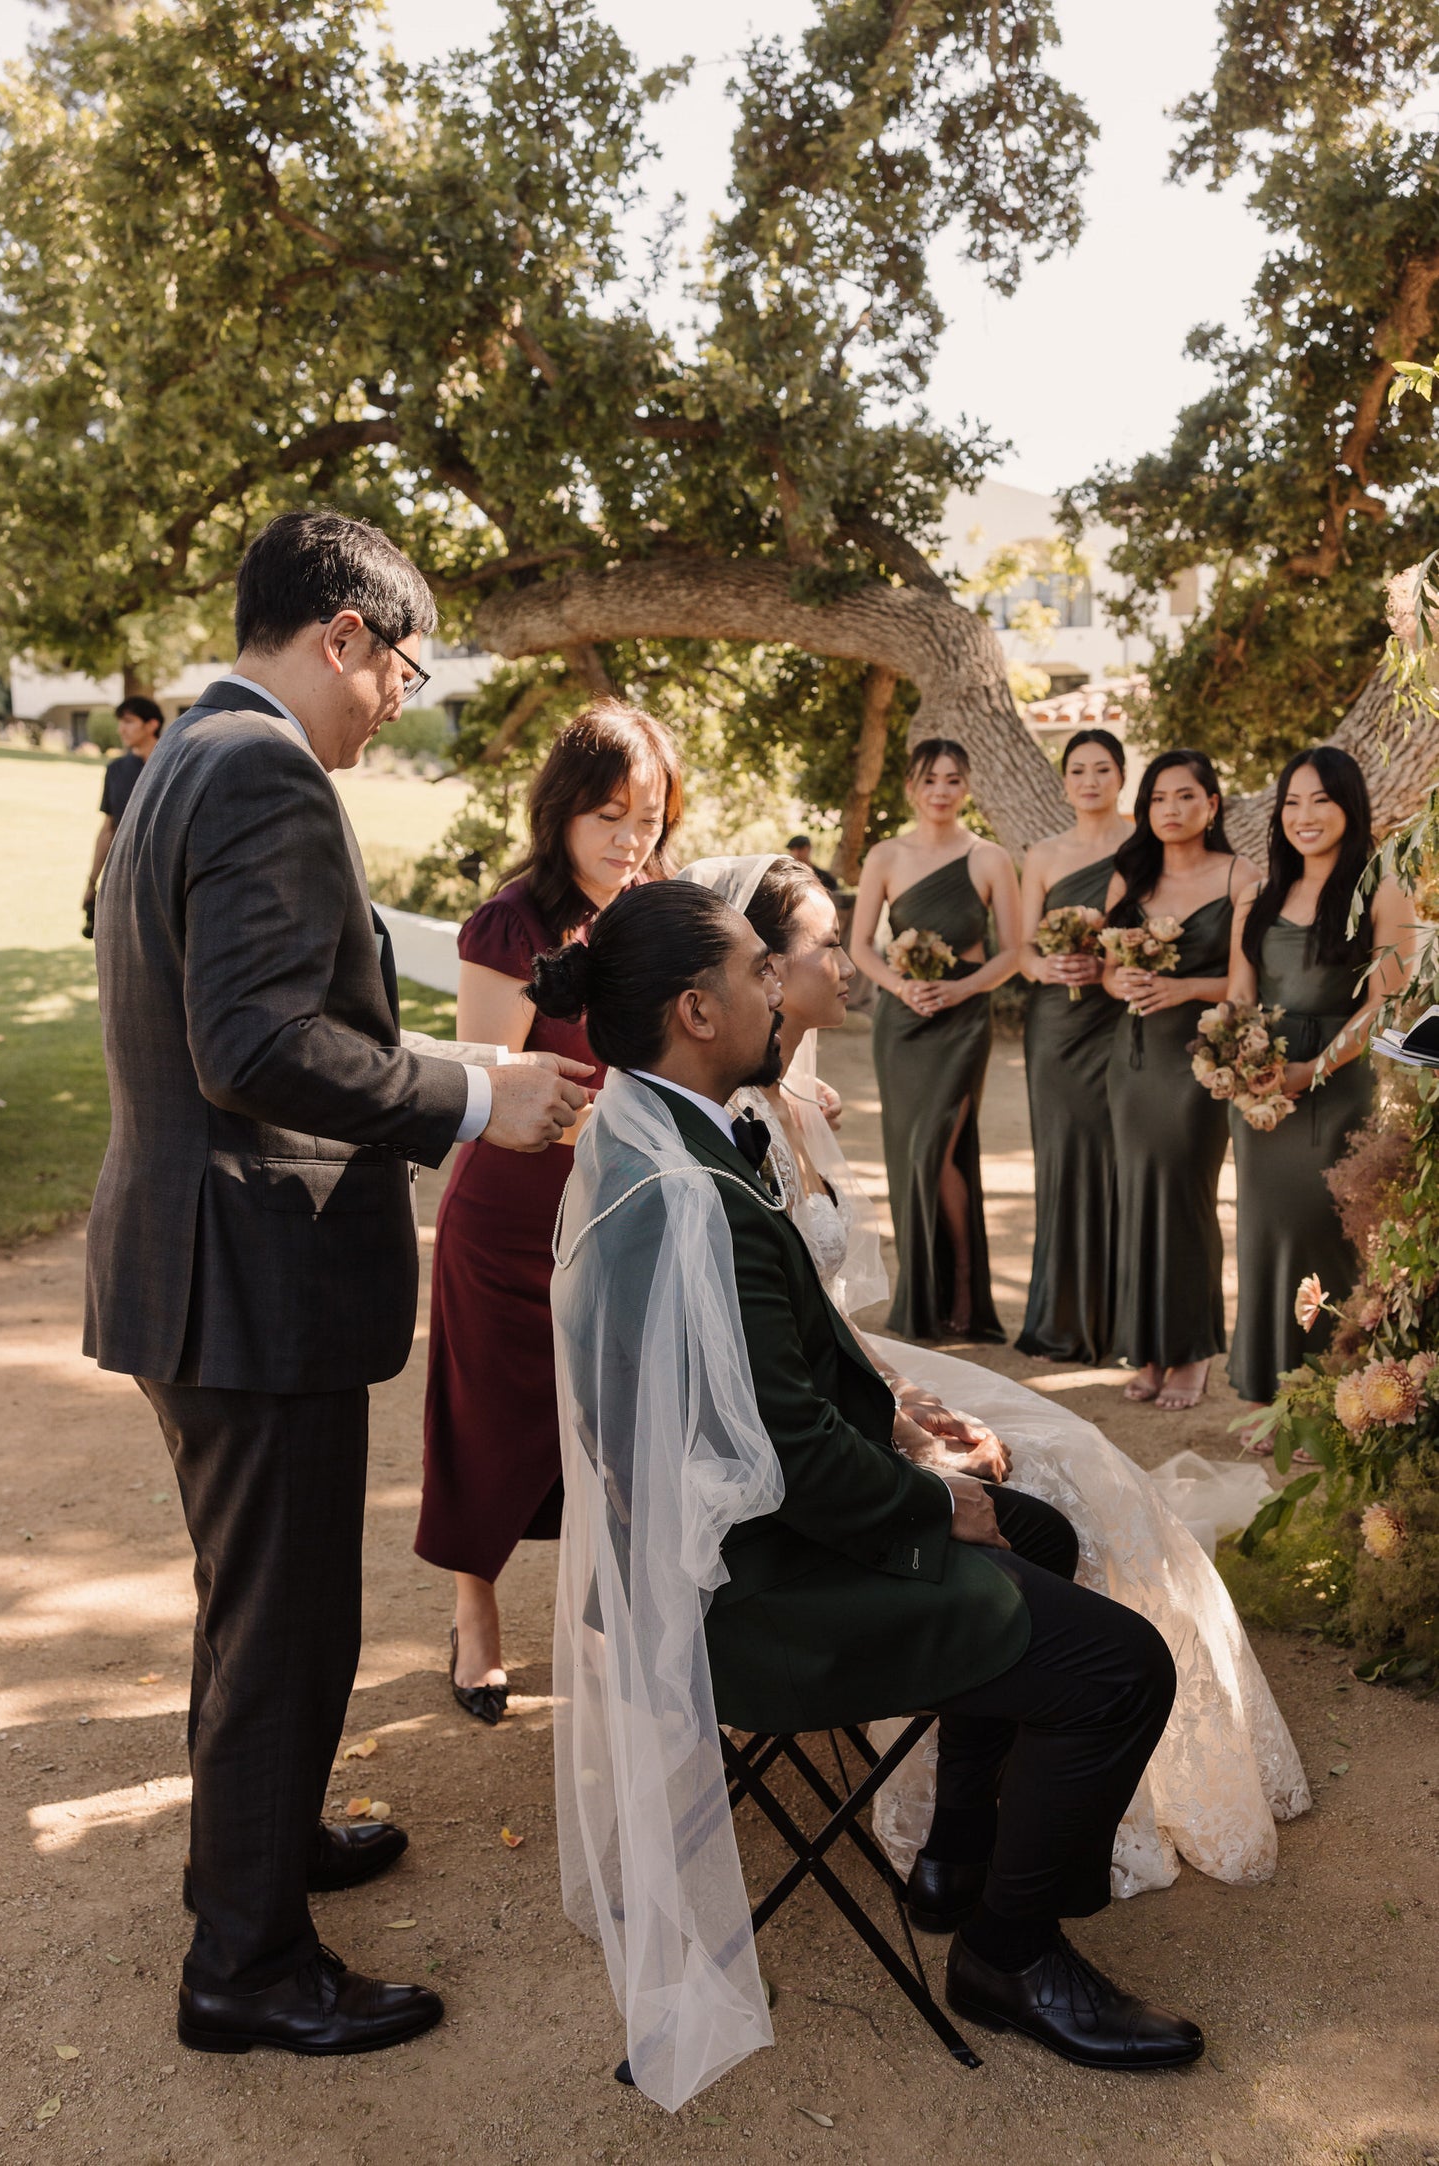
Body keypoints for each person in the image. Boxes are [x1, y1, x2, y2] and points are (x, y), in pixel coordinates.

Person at [533, 879, 1203, 2109]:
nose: (778, 984)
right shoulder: (683, 1192)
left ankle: (955, 1858)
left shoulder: (650, 1130)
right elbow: (778, 1449)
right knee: (1123, 1670)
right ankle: (1008, 1959)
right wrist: (932, 1503)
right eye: (755, 970)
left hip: (712, 1546)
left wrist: (897, 1425)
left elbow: (758, 1392)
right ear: (695, 1009)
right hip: (744, 1596)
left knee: (1042, 1529)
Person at [83, 510, 591, 2058]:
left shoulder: (187, 753)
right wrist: (466, 1095)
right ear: (343, 636)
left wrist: (463, 1056)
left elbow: (274, 1003)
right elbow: (248, 1046)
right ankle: (246, 1964)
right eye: (402, 668)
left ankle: (255, 1847)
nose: (399, 703)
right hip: (251, 1272)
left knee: (258, 1605)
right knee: (286, 1617)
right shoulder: (258, 770)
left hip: (202, 1265)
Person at [690, 852, 1309, 1914]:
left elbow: (820, 1324)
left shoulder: (776, 1109)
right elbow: (782, 1388)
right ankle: (993, 1858)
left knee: (1078, 1468)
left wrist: (914, 1402)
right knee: (1064, 1506)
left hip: (855, 1377)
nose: (847, 963)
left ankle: (965, 1832)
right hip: (807, 1471)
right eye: (820, 947)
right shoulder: (707, 1156)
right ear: (744, 981)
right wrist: (921, 1453)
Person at [416, 701, 682, 1724]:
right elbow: (494, 1087)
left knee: (623, 1421)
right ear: (562, 809)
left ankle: (616, 1616)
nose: (629, 840)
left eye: (649, 818)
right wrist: (630, 1116)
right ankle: (473, 1612)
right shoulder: (509, 921)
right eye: (609, 815)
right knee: (488, 1418)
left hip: (627, 1215)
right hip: (512, 1218)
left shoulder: (658, 910)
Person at [1227, 746, 1415, 1410]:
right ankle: (1262, 1382)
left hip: (1336, 1083)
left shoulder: (1384, 886)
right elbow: (1238, 991)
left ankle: (1330, 1399)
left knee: (1324, 1236)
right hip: (1262, 1088)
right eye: (1291, 803)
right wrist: (1238, 1061)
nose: (1303, 816)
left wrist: (1314, 1066)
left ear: (1348, 807)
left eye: (1320, 801)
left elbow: (1384, 1004)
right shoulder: (1256, 893)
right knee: (1263, 1230)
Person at [1103, 751, 1262, 1410]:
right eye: (1158, 798)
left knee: (1186, 1197)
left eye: (1184, 796)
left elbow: (1246, 981)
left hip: (1197, 1057)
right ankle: (1146, 1349)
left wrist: (1178, 990)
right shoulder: (1130, 874)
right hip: (1132, 1058)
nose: (1170, 809)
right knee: (1138, 1197)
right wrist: (1126, 982)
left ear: (1212, 804)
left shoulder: (1240, 876)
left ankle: (1192, 1352)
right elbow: (1105, 969)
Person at [850, 738, 1020, 1342]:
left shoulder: (990, 859)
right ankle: (928, 1297)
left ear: (966, 787)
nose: (941, 791)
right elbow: (860, 947)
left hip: (963, 1019)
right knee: (909, 1157)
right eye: (930, 780)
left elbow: (1016, 952)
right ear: (911, 788)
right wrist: (901, 988)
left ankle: (967, 1292)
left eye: (952, 780)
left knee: (938, 1152)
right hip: (903, 1023)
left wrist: (961, 989)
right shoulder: (885, 857)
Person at [1016, 728, 1132, 1363]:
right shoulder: (1044, 854)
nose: (1090, 781)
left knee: (1118, 1160)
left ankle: (1119, 1322)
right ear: (1065, 782)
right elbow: (1022, 950)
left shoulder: (1144, 847)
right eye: (1079, 770)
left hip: (1117, 1022)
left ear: (1121, 777)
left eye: (1102, 769)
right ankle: (1059, 1319)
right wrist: (1049, 969)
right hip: (1057, 1027)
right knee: (1061, 1161)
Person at [82, 695, 164, 928]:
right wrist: (92, 883)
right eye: (120, 722)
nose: (121, 729)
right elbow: (109, 828)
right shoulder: (116, 770)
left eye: (128, 721)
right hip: (125, 883)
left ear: (152, 725)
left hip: (168, 883)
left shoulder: (175, 763)